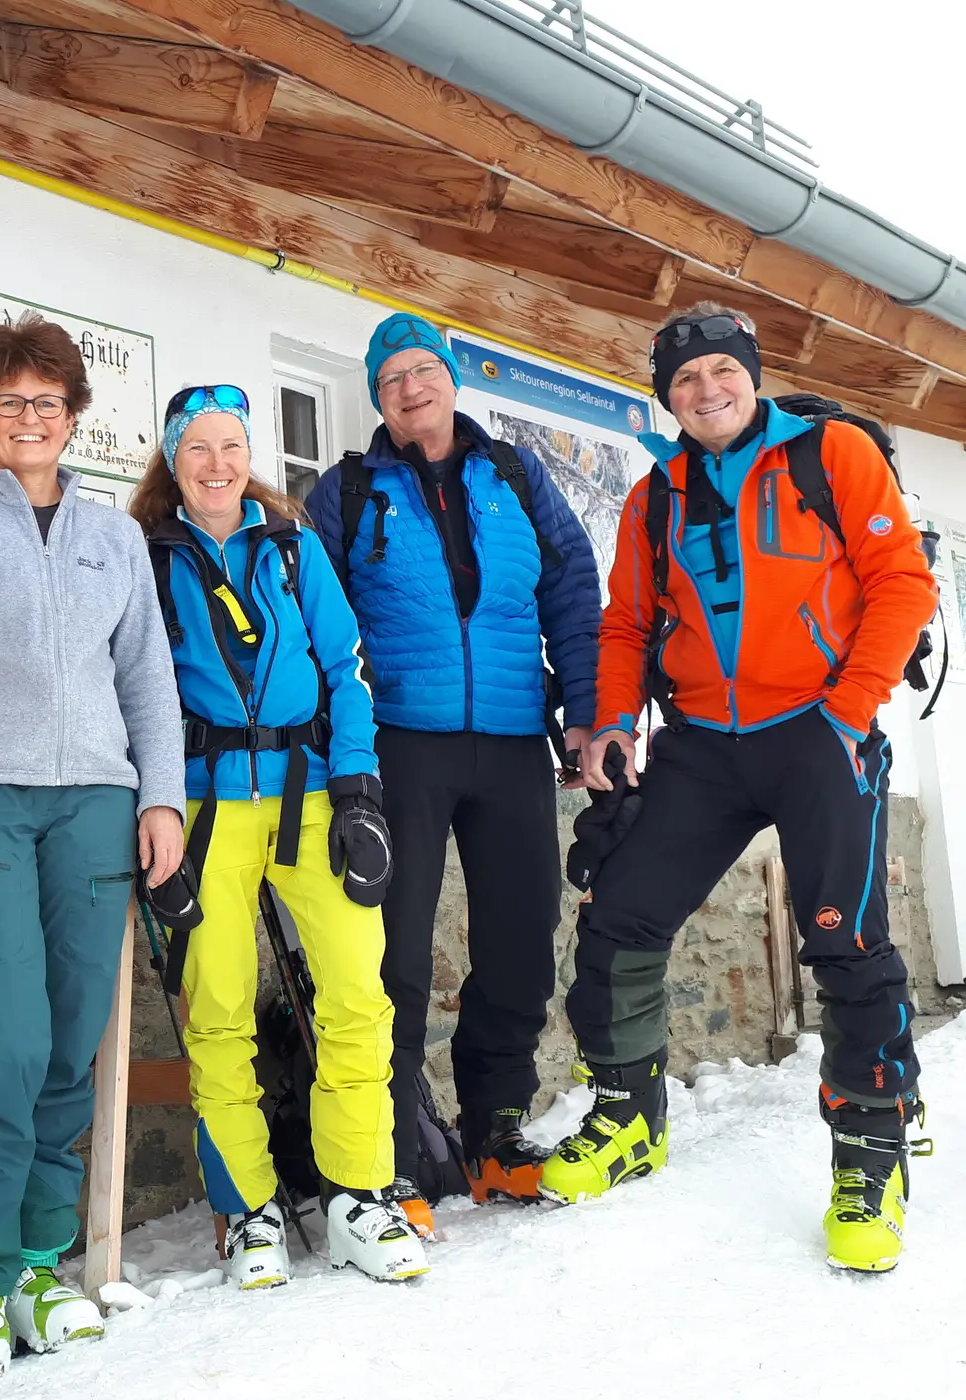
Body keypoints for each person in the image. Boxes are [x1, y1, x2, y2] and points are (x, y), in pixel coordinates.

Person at [543, 303, 937, 1271]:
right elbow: (627, 621)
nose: (706, 391)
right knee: (619, 914)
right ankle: (629, 1116)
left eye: (722, 371)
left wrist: (847, 716)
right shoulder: (655, 497)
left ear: (750, 376)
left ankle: (871, 1147)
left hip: (818, 732)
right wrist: (611, 724)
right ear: (666, 398)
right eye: (684, 381)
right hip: (703, 745)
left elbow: (901, 582)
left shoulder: (830, 454)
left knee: (844, 940)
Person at [0, 313, 185, 1381]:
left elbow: (148, 677)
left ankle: (35, 1264)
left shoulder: (116, 540)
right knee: (5, 1039)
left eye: (49, 403)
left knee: (73, 1042)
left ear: (74, 419)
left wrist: (162, 800)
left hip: (98, 807)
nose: (30, 418)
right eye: (11, 401)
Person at [305, 313, 603, 1234]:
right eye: (390, 378)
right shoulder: (345, 494)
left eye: (424, 370)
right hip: (401, 742)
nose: (410, 389)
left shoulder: (516, 475)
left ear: (454, 378)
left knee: (520, 934)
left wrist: (586, 714)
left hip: (515, 738)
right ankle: (389, 1143)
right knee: (388, 948)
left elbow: (571, 590)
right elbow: (319, 624)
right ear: (377, 398)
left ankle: (495, 1128)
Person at [132, 383, 427, 1287]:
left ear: (247, 456)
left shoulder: (294, 548)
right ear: (173, 463)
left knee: (356, 994)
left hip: (310, 797)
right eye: (198, 450)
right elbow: (134, 695)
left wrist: (360, 792)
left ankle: (358, 1195)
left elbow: (344, 667)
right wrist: (154, 815)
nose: (218, 465)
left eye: (231, 446)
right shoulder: (145, 558)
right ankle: (249, 1208)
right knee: (216, 1010)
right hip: (207, 807)